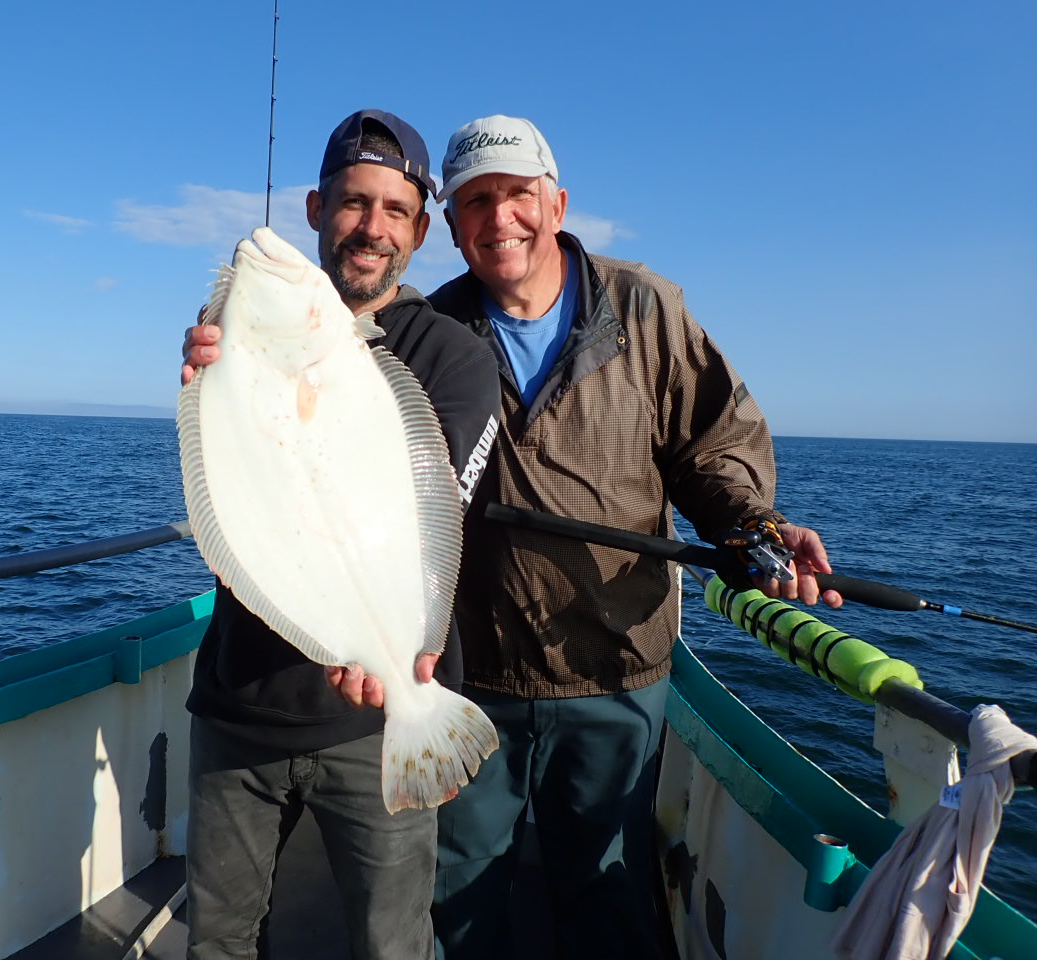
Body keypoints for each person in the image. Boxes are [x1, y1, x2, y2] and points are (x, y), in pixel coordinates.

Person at [338, 114, 843, 959]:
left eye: (518, 195)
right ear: (449, 227)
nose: (502, 218)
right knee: (458, 892)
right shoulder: (424, 331)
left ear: (558, 202)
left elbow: (712, 444)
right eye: (476, 202)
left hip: (616, 672)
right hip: (472, 673)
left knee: (605, 895)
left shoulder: (642, 305)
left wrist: (754, 530)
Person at [179, 110, 502, 960]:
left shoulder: (455, 358)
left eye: (395, 211)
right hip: (238, 703)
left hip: (375, 721)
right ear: (318, 208)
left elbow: (436, 507)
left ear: (421, 230)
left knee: (390, 946)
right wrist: (208, 383)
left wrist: (401, 664)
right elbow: (238, 474)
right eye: (355, 204)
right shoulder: (236, 339)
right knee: (215, 939)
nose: (372, 228)